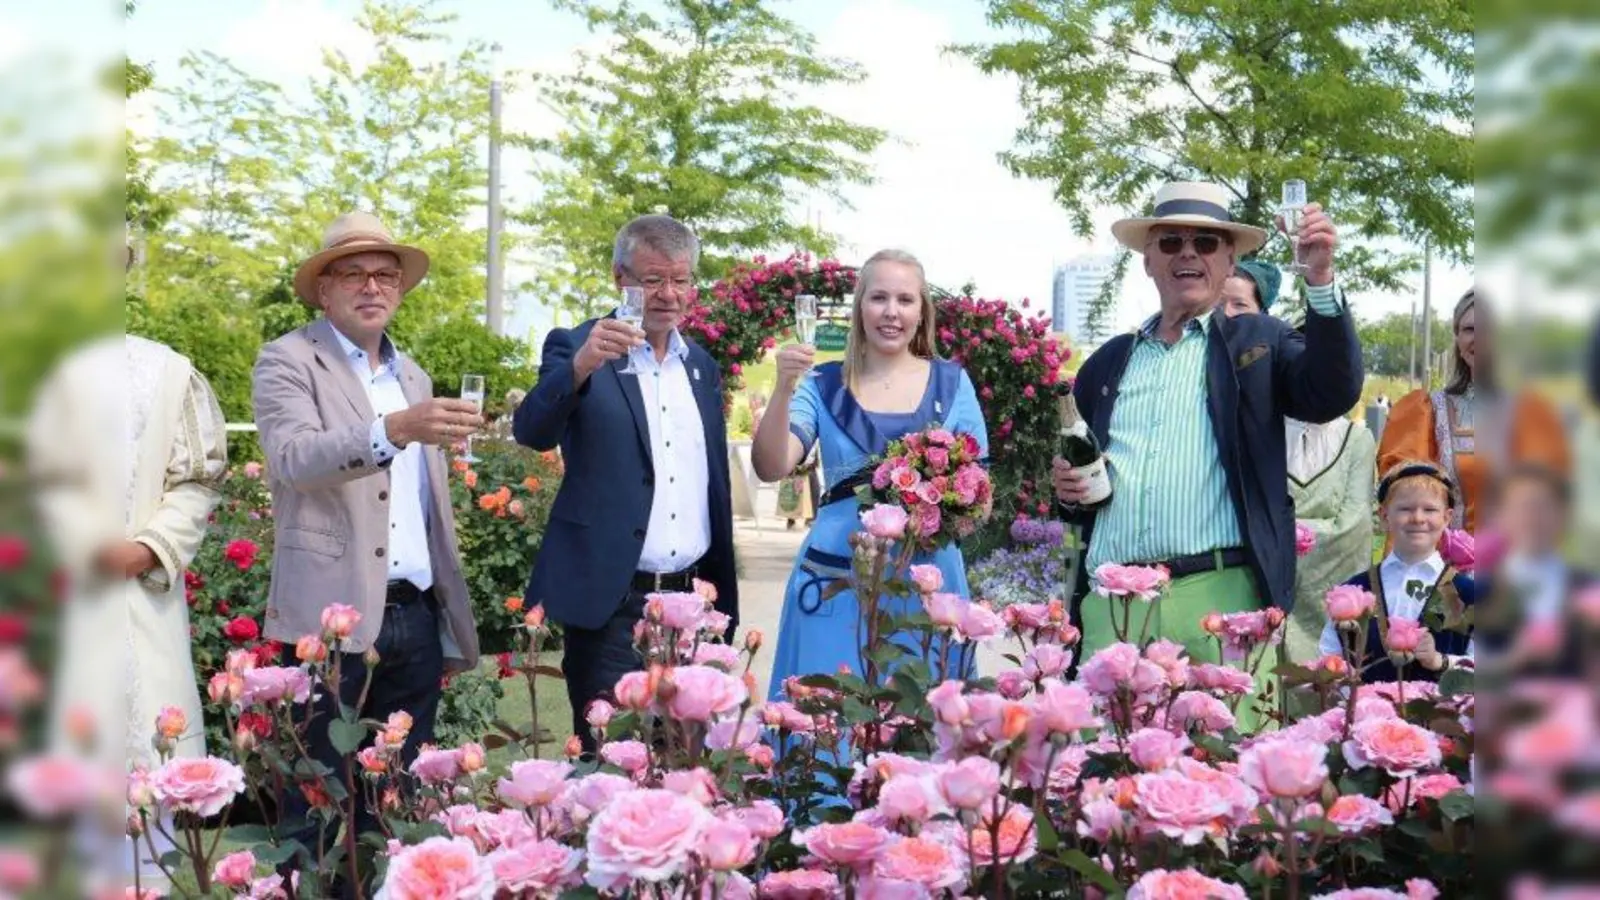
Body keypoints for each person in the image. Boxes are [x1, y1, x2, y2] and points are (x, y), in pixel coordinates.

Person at [1051, 182, 1363, 701]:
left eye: (1206, 242)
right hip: (1112, 605)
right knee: (1105, 772)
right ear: (1149, 259)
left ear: (1229, 261)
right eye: (1170, 241)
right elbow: (1082, 482)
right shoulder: (1106, 364)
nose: (1188, 252)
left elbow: (1331, 390)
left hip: (1220, 598)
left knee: (1225, 767)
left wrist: (1321, 280)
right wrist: (1067, 490)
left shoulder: (1258, 341)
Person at [252, 211, 483, 879]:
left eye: (386, 274)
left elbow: (423, 503)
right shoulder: (288, 359)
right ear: (323, 290)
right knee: (318, 802)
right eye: (353, 273)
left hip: (412, 614)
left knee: (403, 802)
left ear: (401, 291)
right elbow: (295, 456)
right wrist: (394, 429)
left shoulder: (411, 374)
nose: (372, 286)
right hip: (330, 621)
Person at [514, 214, 739, 753]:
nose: (667, 294)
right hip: (612, 605)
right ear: (620, 278)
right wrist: (582, 367)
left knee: (688, 762)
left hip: (693, 605)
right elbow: (532, 431)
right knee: (610, 761)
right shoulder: (576, 345)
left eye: (680, 280)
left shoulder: (701, 367)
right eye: (651, 279)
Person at [29, 330, 227, 893]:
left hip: (131, 609)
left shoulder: (165, 372)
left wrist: (146, 549)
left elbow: (196, 477)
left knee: (139, 834)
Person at [753, 248, 989, 697]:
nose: (891, 312)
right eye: (879, 297)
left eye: (905, 300)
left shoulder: (953, 384)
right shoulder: (821, 385)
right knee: (822, 731)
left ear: (923, 312)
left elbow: (979, 491)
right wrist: (784, 388)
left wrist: (940, 506)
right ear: (860, 306)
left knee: (923, 727)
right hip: (834, 582)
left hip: (928, 590)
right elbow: (771, 465)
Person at [1221, 256, 1377, 663]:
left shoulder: (1355, 440)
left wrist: (1276, 532)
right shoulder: (1257, 427)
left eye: (1240, 305)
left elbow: (1355, 525)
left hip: (1330, 600)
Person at [1379, 288, 1570, 533]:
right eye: (1469, 329)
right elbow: (1406, 496)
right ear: (1457, 339)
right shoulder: (1427, 412)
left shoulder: (1532, 413)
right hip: (1447, 563)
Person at [1318, 460, 1474, 683]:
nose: (1418, 518)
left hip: (1443, 716)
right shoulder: (1353, 593)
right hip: (1366, 715)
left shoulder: (1469, 594)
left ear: (1446, 518)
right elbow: (1329, 658)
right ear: (1384, 516)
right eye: (1405, 509)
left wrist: (1441, 661)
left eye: (1429, 510)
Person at [1474, 464, 1592, 677]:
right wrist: (1515, 657)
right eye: (1522, 508)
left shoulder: (1586, 586)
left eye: (1543, 508)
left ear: (1564, 514)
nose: (1532, 518)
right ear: (1499, 516)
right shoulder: (1481, 591)